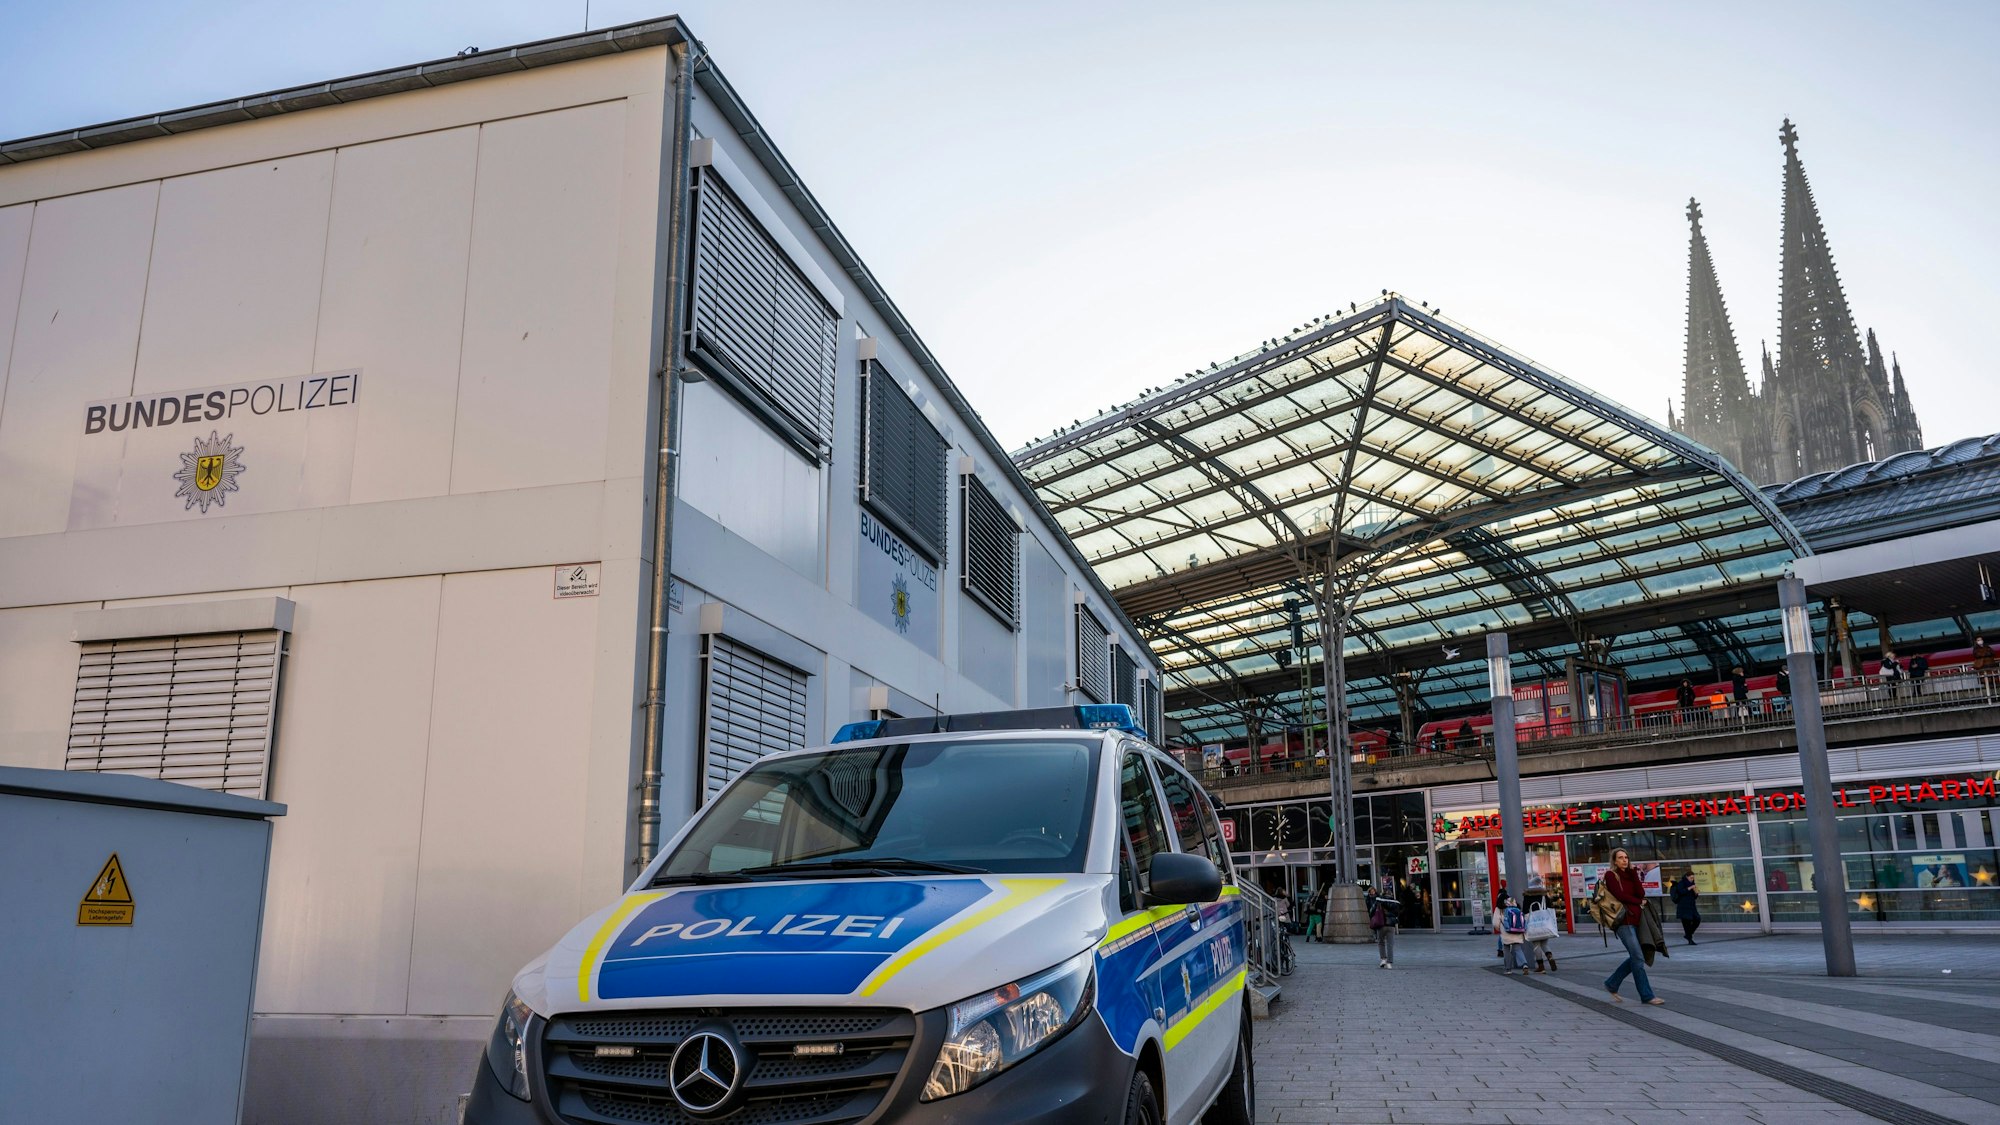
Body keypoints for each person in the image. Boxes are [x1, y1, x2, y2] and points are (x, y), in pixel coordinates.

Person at [1600, 849, 1664, 1005]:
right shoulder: (1611, 875)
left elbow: (1640, 893)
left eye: (1626, 857)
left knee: (1638, 956)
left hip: (1637, 920)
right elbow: (1620, 896)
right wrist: (1637, 902)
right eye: (1620, 858)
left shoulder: (1631, 874)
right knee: (1638, 957)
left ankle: (1612, 983)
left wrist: (1634, 874)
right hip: (1623, 921)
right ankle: (1647, 996)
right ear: (1614, 861)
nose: (1624, 860)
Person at [1522, 875, 1558, 973]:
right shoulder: (1544, 895)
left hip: (1533, 924)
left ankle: (1541, 966)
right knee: (1544, 944)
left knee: (1536, 945)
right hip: (1544, 922)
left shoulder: (1527, 895)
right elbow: (1550, 906)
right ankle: (1550, 956)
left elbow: (1525, 910)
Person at [1365, 877, 1401, 968]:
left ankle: (1383, 959)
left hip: (1381, 924)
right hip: (1391, 926)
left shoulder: (1379, 901)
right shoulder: (1395, 902)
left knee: (1381, 942)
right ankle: (1389, 963)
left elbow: (1372, 911)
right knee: (1390, 944)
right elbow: (1398, 913)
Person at [1498, 895, 1528, 973]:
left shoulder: (1504, 911)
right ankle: (1524, 964)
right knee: (1518, 949)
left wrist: (1501, 929)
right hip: (1518, 932)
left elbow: (1497, 923)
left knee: (1507, 950)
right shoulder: (1518, 910)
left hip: (1507, 933)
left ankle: (1508, 969)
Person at [1669, 871, 1701, 945]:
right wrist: (1689, 888)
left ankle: (1688, 935)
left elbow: (1694, 896)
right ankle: (1690, 939)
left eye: (1693, 878)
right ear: (1687, 877)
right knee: (1687, 923)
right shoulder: (1682, 883)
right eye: (1691, 878)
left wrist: (1696, 893)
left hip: (1691, 906)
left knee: (1697, 919)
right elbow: (1681, 892)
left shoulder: (1692, 884)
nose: (1692, 879)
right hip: (1683, 906)